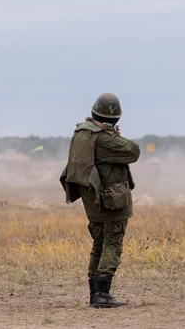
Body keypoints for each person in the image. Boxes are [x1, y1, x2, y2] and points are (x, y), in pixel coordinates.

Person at [60, 93, 140, 308]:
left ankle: (95, 294)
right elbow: (133, 150)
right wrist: (116, 136)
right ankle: (102, 295)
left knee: (99, 245)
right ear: (115, 119)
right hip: (111, 200)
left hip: (92, 200)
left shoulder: (81, 133)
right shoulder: (104, 138)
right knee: (112, 244)